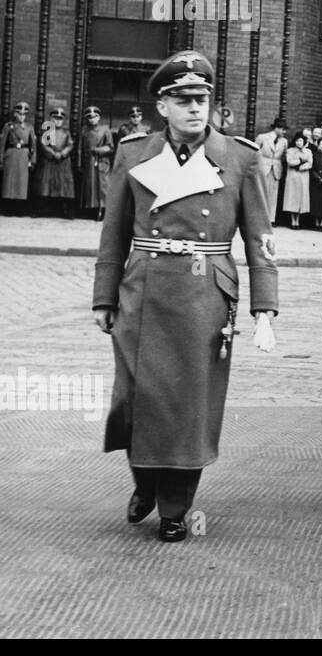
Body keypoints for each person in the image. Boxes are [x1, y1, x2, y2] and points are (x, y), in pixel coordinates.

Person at [93, 50, 278, 542]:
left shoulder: (239, 157)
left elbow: (259, 238)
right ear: (162, 106)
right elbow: (113, 232)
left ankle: (175, 506)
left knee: (189, 403)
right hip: (143, 289)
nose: (197, 108)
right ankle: (145, 482)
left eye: (203, 99)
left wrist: (265, 309)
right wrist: (103, 297)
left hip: (205, 294)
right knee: (134, 396)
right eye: (184, 100)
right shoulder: (133, 153)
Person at [36, 107, 76, 216]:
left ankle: (65, 210)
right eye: (55, 118)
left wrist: (63, 153)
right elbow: (43, 144)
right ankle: (41, 209)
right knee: (45, 184)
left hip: (63, 162)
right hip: (49, 160)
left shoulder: (66, 132)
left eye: (60, 119)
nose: (58, 121)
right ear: (51, 119)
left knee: (64, 185)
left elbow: (70, 144)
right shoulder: (47, 131)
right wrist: (53, 154)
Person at [79, 106, 115, 219]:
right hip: (88, 162)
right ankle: (90, 209)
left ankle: (102, 210)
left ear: (99, 117)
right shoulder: (84, 130)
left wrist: (98, 150)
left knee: (102, 186)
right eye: (89, 117)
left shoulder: (105, 130)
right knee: (90, 187)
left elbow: (110, 147)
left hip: (101, 161)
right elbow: (80, 149)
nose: (92, 119)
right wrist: (79, 163)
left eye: (95, 117)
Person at [1, 101, 35, 212]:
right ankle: (8, 207)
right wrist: (1, 160)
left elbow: (33, 145)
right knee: (9, 182)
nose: (22, 116)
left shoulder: (29, 127)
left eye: (24, 114)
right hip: (11, 154)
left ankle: (20, 207)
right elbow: (2, 144)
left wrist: (32, 160)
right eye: (19, 114)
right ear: (15, 114)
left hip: (23, 155)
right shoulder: (8, 127)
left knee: (22, 182)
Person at [254, 117, 287, 220]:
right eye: (283, 129)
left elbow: (284, 155)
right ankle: (258, 217)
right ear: (276, 128)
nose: (284, 132)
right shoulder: (262, 137)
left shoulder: (284, 141)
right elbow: (254, 151)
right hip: (263, 167)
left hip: (276, 169)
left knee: (273, 194)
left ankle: (271, 218)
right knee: (261, 192)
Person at [282, 131, 312, 229]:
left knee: (300, 198)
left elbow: (310, 163)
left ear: (304, 142)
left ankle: (298, 221)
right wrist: (299, 161)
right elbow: (289, 161)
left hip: (303, 176)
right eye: (297, 141)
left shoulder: (308, 151)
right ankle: (292, 221)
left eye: (301, 141)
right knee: (293, 197)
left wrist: (301, 167)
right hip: (293, 177)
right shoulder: (290, 151)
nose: (299, 143)